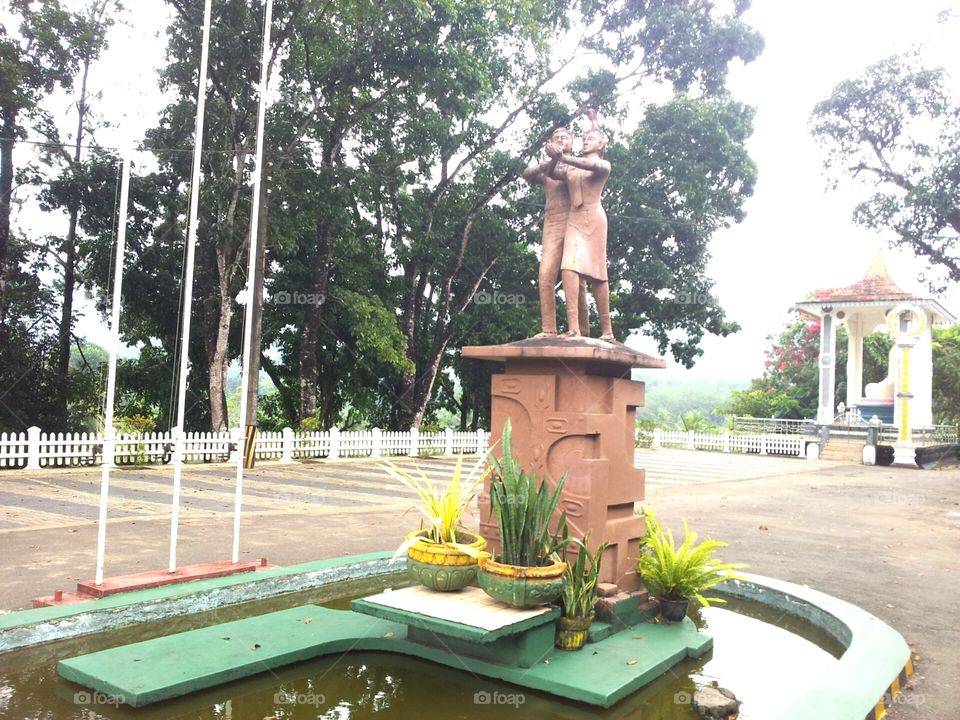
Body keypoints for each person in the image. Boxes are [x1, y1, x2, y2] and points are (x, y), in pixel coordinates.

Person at [546, 109, 614, 341]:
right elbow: (550, 172)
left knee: (598, 275)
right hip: (574, 220)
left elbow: (594, 167)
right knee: (569, 268)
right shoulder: (571, 167)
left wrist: (564, 157)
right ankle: (573, 328)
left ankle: (607, 330)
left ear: (602, 144)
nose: (586, 141)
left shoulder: (603, 165)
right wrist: (552, 153)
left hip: (594, 219)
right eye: (583, 139)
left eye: (591, 139)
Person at [522, 127, 588, 337]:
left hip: (575, 221)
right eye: (556, 138)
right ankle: (548, 329)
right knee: (545, 274)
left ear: (572, 141)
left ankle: (581, 331)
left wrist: (560, 158)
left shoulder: (577, 165)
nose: (560, 140)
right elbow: (527, 175)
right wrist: (549, 160)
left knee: (576, 278)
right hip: (552, 222)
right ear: (549, 143)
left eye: (564, 138)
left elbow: (562, 174)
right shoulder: (546, 168)